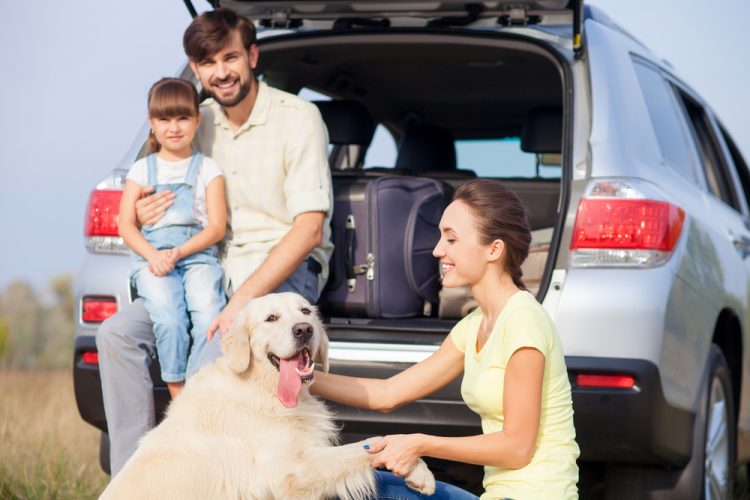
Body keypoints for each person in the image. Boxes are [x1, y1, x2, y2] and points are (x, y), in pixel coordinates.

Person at [97, 7, 333, 475]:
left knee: (212, 359)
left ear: (252, 55)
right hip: (200, 272)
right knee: (115, 335)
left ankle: (189, 476)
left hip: (276, 277)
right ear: (197, 70)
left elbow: (309, 229)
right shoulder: (190, 120)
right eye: (207, 64)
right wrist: (144, 211)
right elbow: (149, 188)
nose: (220, 73)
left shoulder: (299, 118)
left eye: (229, 58)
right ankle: (134, 480)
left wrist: (239, 303)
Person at [312, 179, 579, 499]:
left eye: (451, 239)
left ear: (494, 249)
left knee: (368, 490)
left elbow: (517, 447)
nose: (438, 250)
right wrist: (300, 378)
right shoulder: (474, 325)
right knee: (360, 483)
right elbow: (387, 394)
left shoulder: (523, 320)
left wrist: (419, 443)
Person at [118, 77, 227, 399]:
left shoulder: (208, 168)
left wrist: (178, 253)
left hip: (197, 255)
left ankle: (197, 387)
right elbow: (126, 226)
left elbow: (216, 228)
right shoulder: (141, 170)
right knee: (169, 316)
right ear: (152, 124)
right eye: (164, 119)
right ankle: (178, 389)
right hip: (152, 257)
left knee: (209, 313)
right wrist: (153, 256)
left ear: (196, 120)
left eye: (182, 118)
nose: (174, 127)